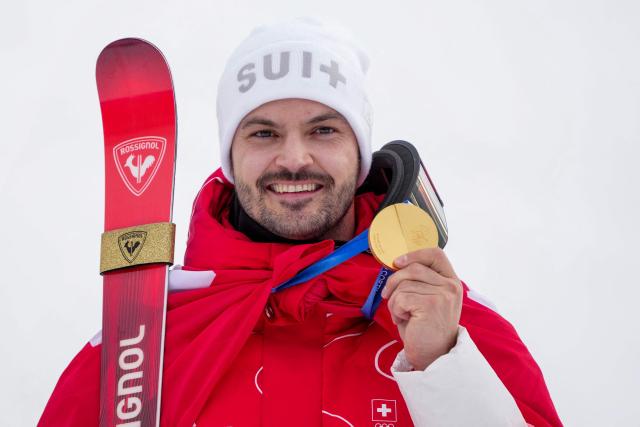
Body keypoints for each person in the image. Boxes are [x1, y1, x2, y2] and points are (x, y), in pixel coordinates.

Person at [39, 18, 562, 426]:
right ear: (230, 157)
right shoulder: (142, 347)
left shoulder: (458, 326)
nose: (294, 158)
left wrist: (444, 370)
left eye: (324, 130)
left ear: (359, 154)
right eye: (263, 133)